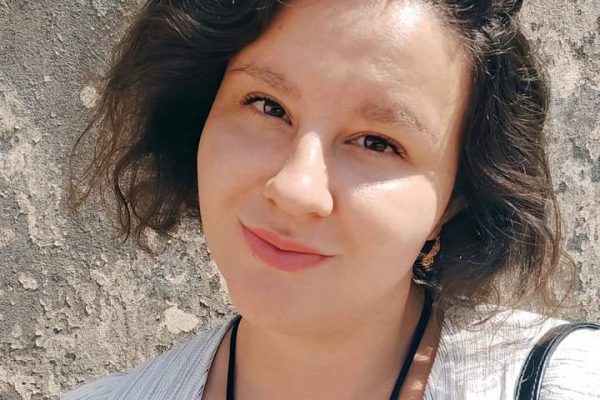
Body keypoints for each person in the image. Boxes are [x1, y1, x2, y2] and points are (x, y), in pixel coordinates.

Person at [62, 0, 599, 399]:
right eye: (267, 106)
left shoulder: (568, 383)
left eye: (377, 142)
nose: (295, 188)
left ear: (454, 199)